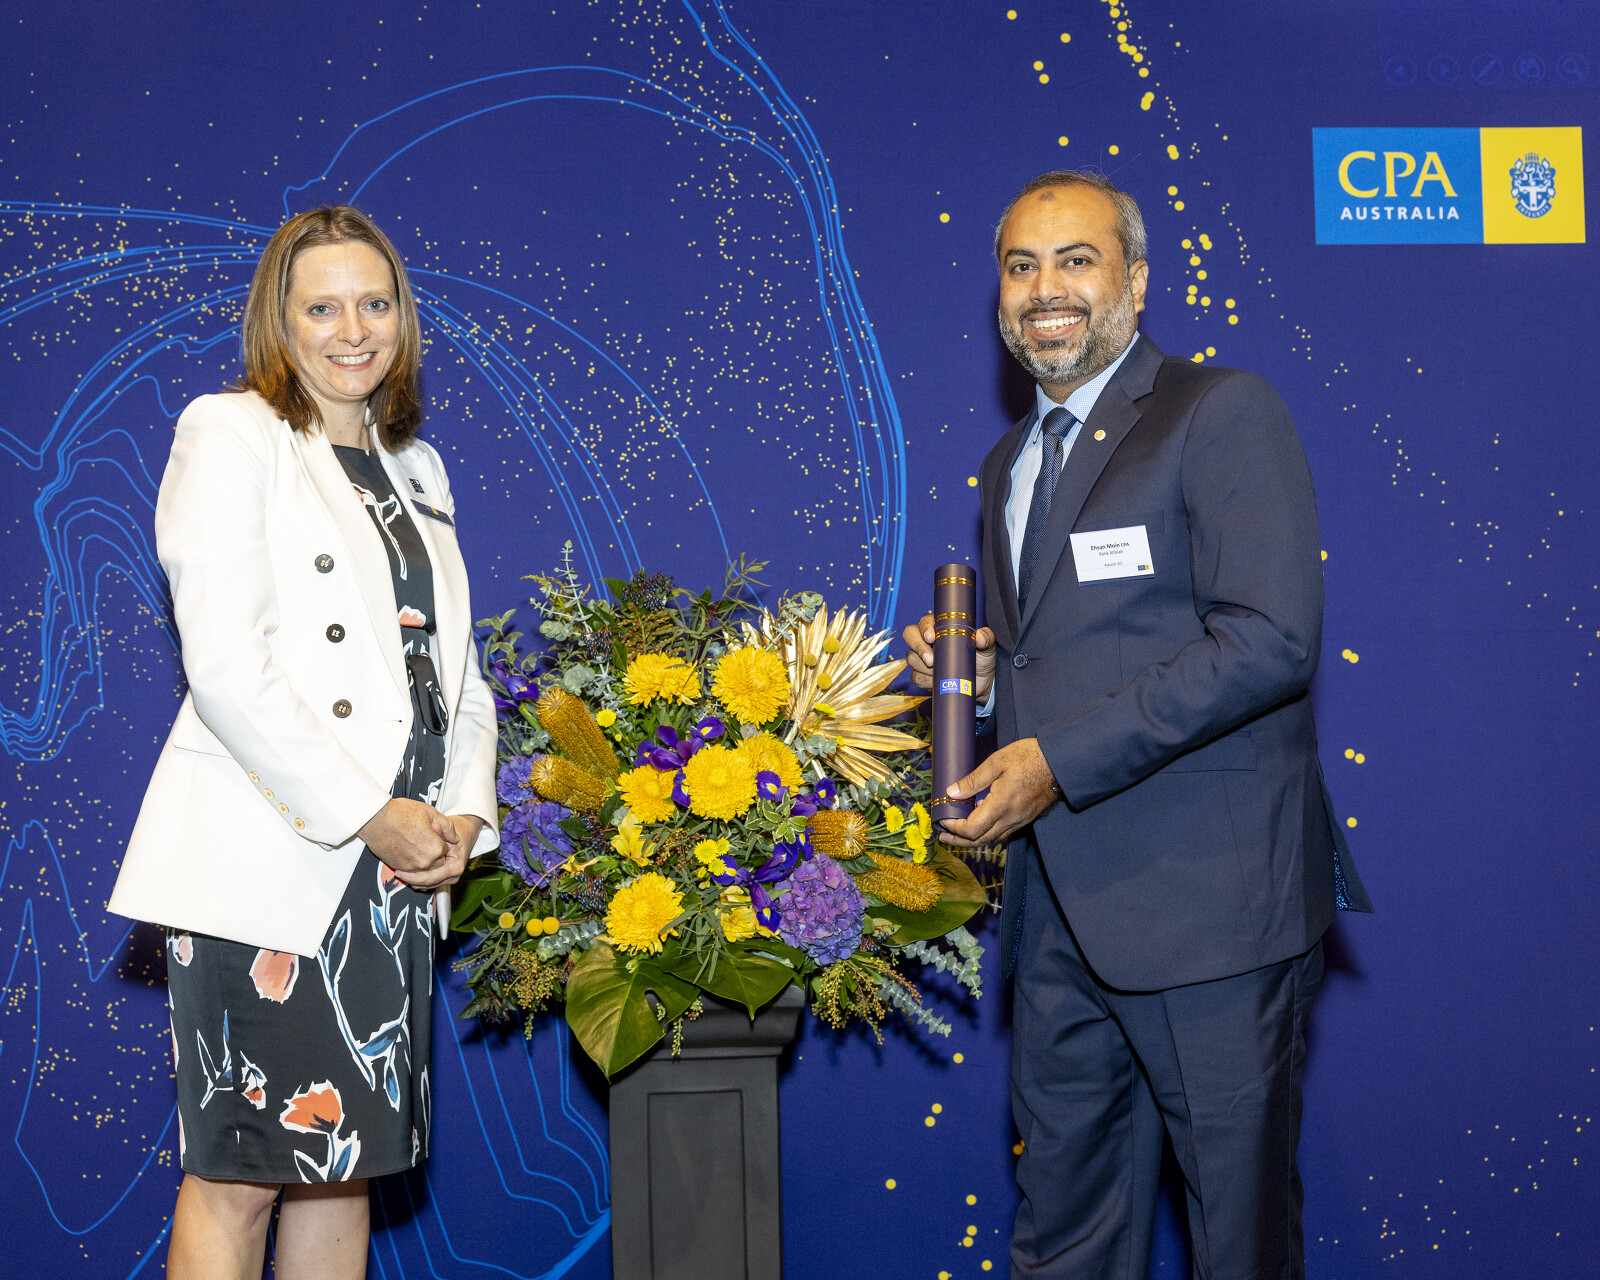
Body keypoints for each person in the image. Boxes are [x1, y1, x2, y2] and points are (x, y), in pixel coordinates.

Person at [904, 171, 1372, 1279]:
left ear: (1137, 280)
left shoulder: (1220, 411)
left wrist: (1056, 760)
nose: (1045, 290)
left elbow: (1268, 638)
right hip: (1058, 918)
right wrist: (982, 687)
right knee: (1065, 1236)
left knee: (1236, 1242)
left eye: (1076, 260)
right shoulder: (1009, 463)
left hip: (1212, 913)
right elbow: (1061, 657)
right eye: (1020, 266)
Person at [109, 205, 499, 1280]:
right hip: (280, 854)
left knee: (344, 1165)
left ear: (403, 318)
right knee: (238, 1175)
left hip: (398, 868)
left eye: (374, 304)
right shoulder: (231, 431)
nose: (352, 330)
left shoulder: (417, 467)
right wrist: (371, 813)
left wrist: (465, 814)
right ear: (278, 321)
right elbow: (226, 663)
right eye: (322, 308)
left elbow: (455, 673)